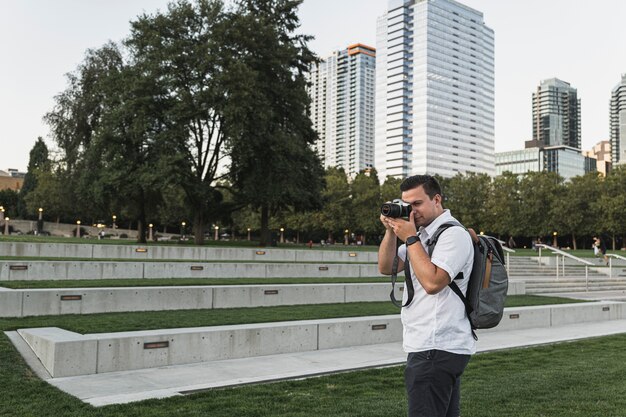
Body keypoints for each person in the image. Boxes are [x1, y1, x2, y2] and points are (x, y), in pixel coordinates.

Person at [378, 175, 475, 417]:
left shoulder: (452, 234)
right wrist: (391, 230)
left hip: (436, 346)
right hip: (431, 345)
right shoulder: (422, 236)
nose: (412, 211)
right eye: (406, 205)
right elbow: (386, 266)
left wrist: (410, 237)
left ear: (437, 199)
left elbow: (433, 283)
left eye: (417, 204)